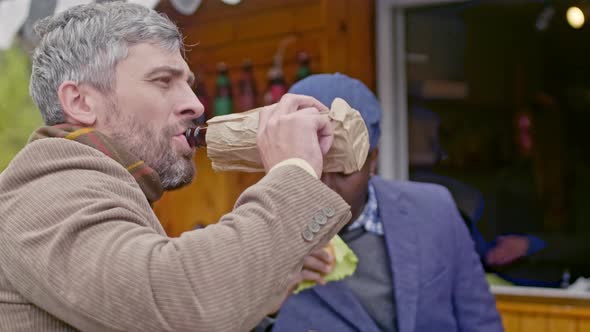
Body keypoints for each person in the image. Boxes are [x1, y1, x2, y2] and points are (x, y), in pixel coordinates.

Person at [0, 3, 352, 331]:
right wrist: (293, 173)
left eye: (188, 84)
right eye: (163, 81)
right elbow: (182, 300)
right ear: (80, 101)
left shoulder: (95, 181)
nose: (195, 104)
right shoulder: (48, 186)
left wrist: (269, 277)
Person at [271, 73, 503, 332]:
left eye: (343, 171)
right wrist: (267, 298)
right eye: (309, 169)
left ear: (373, 162)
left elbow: (482, 323)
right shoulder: (258, 238)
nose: (323, 187)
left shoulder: (436, 211)